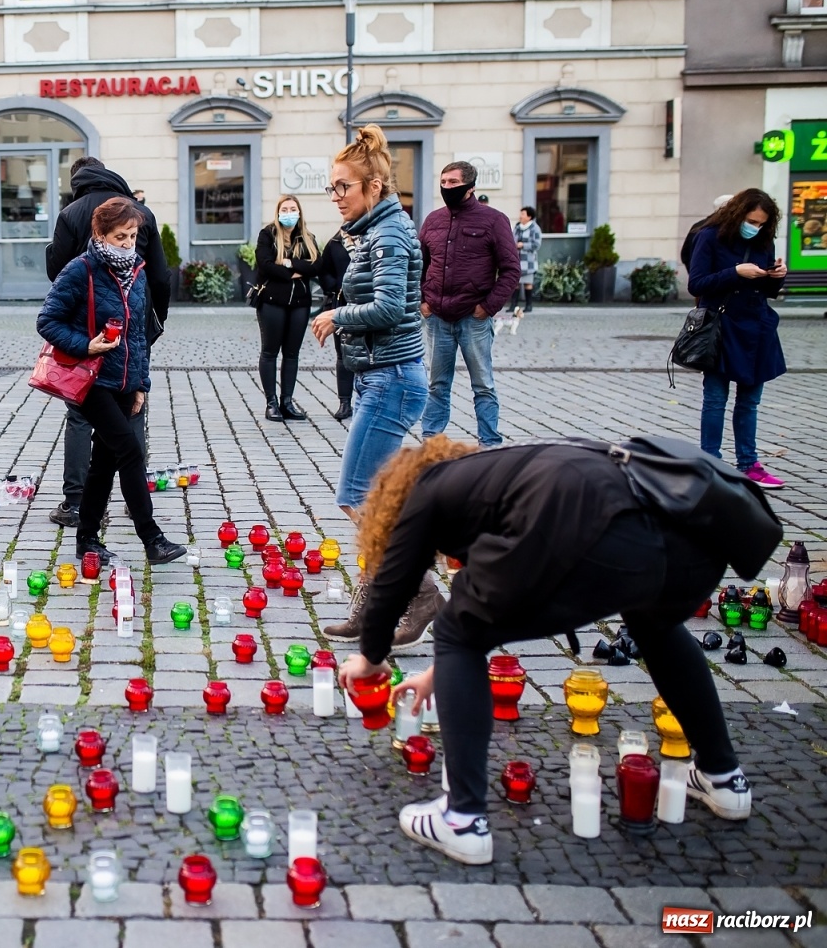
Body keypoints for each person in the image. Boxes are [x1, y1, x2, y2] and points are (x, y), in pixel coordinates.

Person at [338, 437, 773, 865]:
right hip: (690, 547)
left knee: (455, 630)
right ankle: (723, 777)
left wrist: (370, 659)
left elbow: (393, 584)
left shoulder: (427, 488)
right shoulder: (504, 474)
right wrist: (442, 674)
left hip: (590, 530)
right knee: (654, 622)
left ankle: (462, 820)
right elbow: (503, 600)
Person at [309, 124, 438, 648]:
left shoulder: (387, 234)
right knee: (375, 499)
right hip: (378, 377)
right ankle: (373, 605)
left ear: (374, 186)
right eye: (332, 187)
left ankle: (420, 591)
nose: (336, 196)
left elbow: (388, 308)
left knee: (356, 495)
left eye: (343, 186)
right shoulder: (375, 229)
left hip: (392, 379)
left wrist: (337, 315)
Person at [38, 198, 186, 566]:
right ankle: (152, 539)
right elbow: (47, 321)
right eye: (120, 236)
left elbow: (138, 336)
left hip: (123, 382)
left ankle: (87, 539)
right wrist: (86, 345)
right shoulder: (81, 269)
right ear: (100, 234)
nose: (128, 243)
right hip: (90, 381)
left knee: (103, 463)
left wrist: (140, 385)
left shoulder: (137, 271)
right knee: (130, 451)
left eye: (133, 236)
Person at [685, 188, 788, 489]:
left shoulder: (763, 240)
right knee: (715, 399)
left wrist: (777, 276)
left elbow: (768, 291)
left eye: (761, 223)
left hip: (757, 327)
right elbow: (696, 284)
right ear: (738, 213)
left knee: (749, 402)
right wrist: (735, 272)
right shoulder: (709, 236)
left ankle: (749, 464)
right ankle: (711, 463)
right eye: (751, 221)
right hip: (722, 326)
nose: (755, 227)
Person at [417, 162, 519, 448]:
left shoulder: (494, 220)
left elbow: (511, 270)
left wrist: (488, 307)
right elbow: (418, 266)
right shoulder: (433, 220)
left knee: (483, 385)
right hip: (437, 317)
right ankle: (431, 443)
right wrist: (422, 301)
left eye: (453, 182)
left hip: (473, 318)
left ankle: (490, 443)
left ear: (470, 187)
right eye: (443, 182)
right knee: (437, 385)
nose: (447, 187)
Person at [253, 194, 318, 421]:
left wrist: (288, 263)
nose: (288, 213)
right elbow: (265, 265)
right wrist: (294, 272)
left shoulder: (307, 238)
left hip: (300, 303)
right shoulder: (268, 235)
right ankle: (271, 403)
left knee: (292, 354)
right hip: (272, 301)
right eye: (285, 209)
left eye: (292, 209)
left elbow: (316, 266)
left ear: (299, 212)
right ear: (278, 212)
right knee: (270, 351)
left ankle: (287, 401)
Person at [314, 229, 354, 422]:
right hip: (341, 303)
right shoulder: (335, 243)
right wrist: (335, 288)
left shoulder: (372, 239)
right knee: (342, 353)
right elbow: (324, 271)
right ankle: (345, 402)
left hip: (367, 304)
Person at [508, 206, 542, 314]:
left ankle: (528, 305)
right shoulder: (517, 227)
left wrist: (523, 245)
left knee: (528, 283)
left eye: (523, 214)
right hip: (517, 260)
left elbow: (537, 244)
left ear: (529, 216)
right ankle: (513, 305)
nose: (520, 216)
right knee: (515, 283)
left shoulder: (535, 228)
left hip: (528, 261)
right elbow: (511, 239)